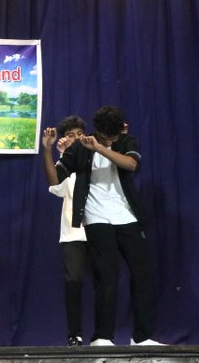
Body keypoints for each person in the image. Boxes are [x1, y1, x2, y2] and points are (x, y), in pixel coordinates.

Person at [54, 105, 161, 346]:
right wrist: (48, 151)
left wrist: (101, 147)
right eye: (103, 137)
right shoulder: (81, 146)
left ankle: (141, 337)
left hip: (126, 214)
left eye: (112, 137)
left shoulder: (126, 141)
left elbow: (132, 165)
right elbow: (57, 176)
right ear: (97, 130)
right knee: (107, 276)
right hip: (96, 217)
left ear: (121, 130)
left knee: (142, 274)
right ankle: (102, 336)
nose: (108, 141)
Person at [41, 116, 89, 346]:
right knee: (73, 282)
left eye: (80, 134)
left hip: (100, 227)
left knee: (106, 281)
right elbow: (56, 186)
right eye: (71, 135)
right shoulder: (65, 163)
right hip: (73, 231)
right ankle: (75, 334)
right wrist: (48, 150)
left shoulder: (94, 156)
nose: (76, 138)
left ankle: (104, 335)